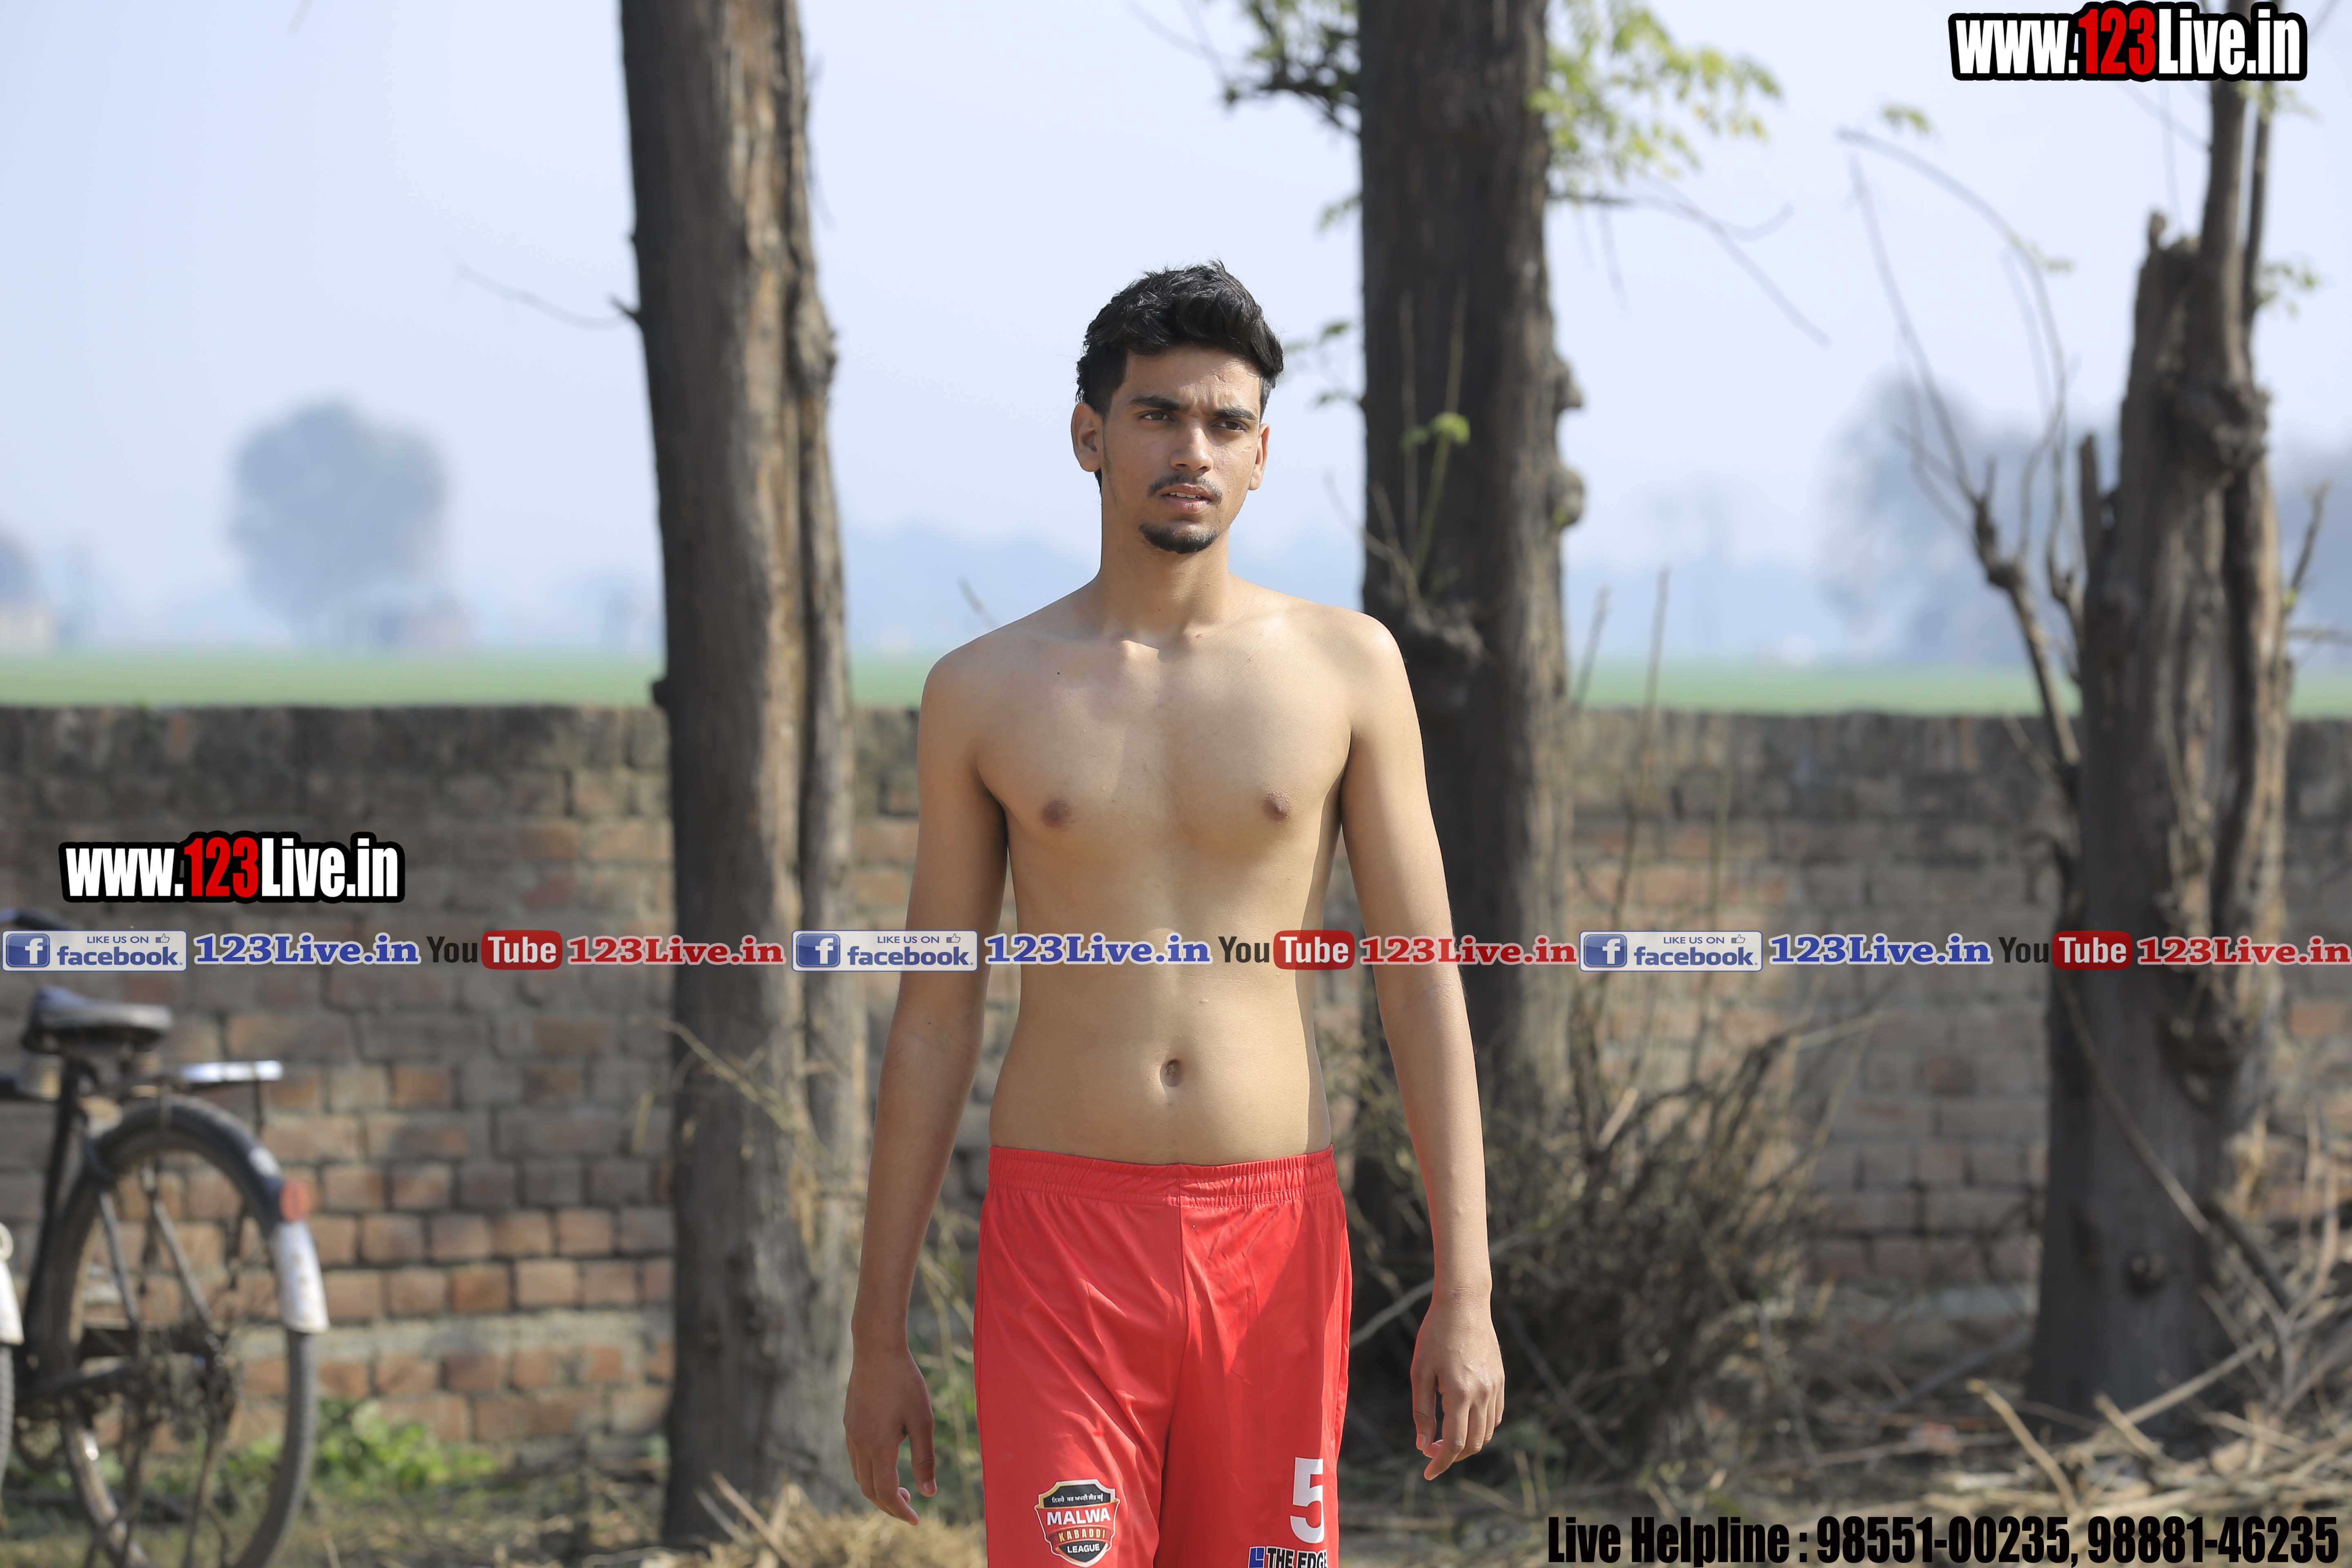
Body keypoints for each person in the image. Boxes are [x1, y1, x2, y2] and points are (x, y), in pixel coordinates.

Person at [844, 262, 1502, 1564]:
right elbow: (934, 1016)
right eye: (1156, 415)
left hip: (1276, 1242)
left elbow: (1421, 984)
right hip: (1061, 1245)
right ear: (1089, 435)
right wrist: (877, 1337)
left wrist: (1466, 1290)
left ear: (1261, 454)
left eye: (1224, 422)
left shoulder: (1348, 668)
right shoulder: (983, 691)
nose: (1190, 449)